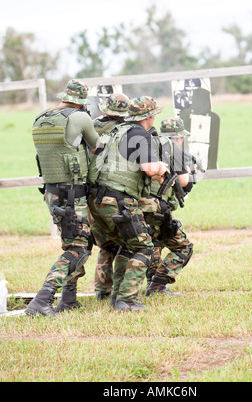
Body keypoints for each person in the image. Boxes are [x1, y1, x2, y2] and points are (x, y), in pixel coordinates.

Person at [25, 80, 101, 317]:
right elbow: (97, 146)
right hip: (71, 192)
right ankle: (42, 299)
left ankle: (68, 299)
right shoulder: (80, 117)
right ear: (81, 101)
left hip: (51, 191)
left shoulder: (42, 118)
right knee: (78, 248)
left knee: (75, 242)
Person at [87, 96, 168, 311]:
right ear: (149, 117)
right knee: (143, 246)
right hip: (117, 199)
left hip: (95, 199)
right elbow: (150, 169)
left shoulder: (117, 131)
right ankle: (127, 299)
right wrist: (162, 167)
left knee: (125, 244)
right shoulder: (140, 134)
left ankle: (115, 296)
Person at [140, 117, 196, 296]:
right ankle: (158, 285)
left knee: (154, 243)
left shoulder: (148, 146)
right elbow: (185, 184)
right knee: (183, 247)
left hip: (140, 205)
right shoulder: (174, 151)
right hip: (159, 207)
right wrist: (191, 174)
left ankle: (152, 283)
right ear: (179, 137)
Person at [90, 93, 130, 301]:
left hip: (90, 196)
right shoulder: (126, 132)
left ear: (106, 109)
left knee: (105, 245)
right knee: (126, 241)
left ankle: (101, 290)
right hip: (114, 196)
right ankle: (120, 292)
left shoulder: (92, 126)